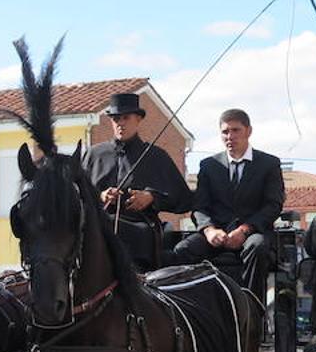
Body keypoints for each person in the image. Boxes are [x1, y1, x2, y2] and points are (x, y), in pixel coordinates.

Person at [171, 108, 285, 290]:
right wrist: (209, 230)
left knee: (258, 247)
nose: (230, 136)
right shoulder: (209, 166)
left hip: (252, 233)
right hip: (216, 235)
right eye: (225, 132)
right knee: (183, 250)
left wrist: (245, 230)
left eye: (235, 130)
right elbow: (199, 206)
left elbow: (273, 205)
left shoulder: (269, 164)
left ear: (249, 131)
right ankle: (195, 309)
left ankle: (251, 306)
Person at [82, 92, 193, 271]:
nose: (120, 123)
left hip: (140, 227)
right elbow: (77, 193)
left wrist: (151, 198)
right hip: (97, 226)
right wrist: (100, 196)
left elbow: (184, 199)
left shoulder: (156, 156)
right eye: (116, 118)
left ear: (139, 119)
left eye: (126, 117)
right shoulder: (93, 155)